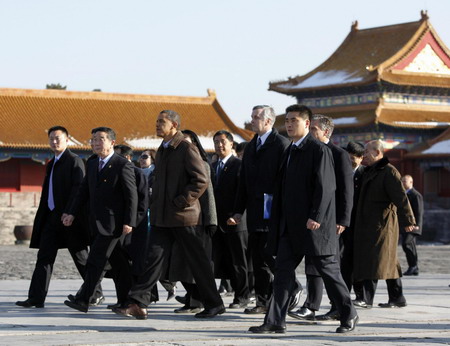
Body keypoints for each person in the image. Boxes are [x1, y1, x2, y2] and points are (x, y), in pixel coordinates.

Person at [249, 104, 357, 334]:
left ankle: (349, 314)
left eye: (294, 120)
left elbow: (326, 187)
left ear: (307, 124)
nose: (288, 124)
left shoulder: (319, 150)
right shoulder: (289, 150)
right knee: (282, 273)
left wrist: (316, 216)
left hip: (314, 226)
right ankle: (275, 321)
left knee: (329, 273)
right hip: (290, 226)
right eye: (286, 120)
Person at [113, 110, 225, 319]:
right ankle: (138, 302)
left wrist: (182, 201)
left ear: (174, 125)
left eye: (161, 122)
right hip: (162, 218)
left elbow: (201, 180)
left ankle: (215, 303)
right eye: (156, 121)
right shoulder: (163, 150)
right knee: (153, 259)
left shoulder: (185, 147)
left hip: (184, 217)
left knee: (198, 262)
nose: (156, 125)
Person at [16, 126, 103, 308]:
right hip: (51, 218)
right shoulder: (51, 163)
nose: (54, 142)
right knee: (44, 257)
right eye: (51, 139)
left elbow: (78, 190)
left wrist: (70, 212)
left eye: (58, 138)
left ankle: (95, 292)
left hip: (70, 220)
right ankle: (36, 298)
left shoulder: (75, 161)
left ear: (67, 140)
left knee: (81, 258)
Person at [62, 127, 138, 313]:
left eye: (100, 139)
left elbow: (131, 195)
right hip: (95, 222)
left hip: (113, 225)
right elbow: (83, 191)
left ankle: (84, 299)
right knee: (119, 264)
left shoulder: (122, 164)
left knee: (95, 261)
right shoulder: (93, 162)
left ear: (112, 142)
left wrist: (130, 221)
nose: (95, 143)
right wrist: (71, 212)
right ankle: (126, 301)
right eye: (93, 139)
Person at [228, 105, 292, 315]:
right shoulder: (252, 145)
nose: (252, 120)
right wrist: (238, 210)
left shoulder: (281, 144)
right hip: (255, 212)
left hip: (274, 211)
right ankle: (263, 301)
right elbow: (243, 182)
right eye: (252, 116)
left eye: (256, 117)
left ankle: (290, 287)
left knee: (270, 256)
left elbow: (285, 181)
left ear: (268, 121)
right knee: (258, 259)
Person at [290, 114, 353, 322]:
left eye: (314, 129)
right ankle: (312, 306)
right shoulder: (307, 152)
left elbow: (345, 191)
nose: (311, 132)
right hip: (310, 218)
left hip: (330, 220)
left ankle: (339, 308)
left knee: (328, 266)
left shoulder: (339, 154)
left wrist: (342, 220)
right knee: (313, 263)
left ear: (326, 132)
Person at [353, 140, 416, 308]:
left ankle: (366, 299)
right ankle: (397, 298)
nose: (364, 154)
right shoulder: (370, 171)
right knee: (387, 261)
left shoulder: (389, 172)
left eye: (367, 151)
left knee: (373, 260)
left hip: (382, 225)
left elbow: (401, 198)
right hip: (368, 223)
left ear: (377, 153)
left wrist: (408, 220)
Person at [171, 129, 218, 313]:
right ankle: (193, 298)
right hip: (180, 220)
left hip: (199, 221)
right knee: (182, 264)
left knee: (196, 265)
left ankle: (198, 300)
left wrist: (211, 221)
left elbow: (209, 196)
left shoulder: (203, 165)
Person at [212, 130, 249, 309]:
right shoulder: (213, 166)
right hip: (218, 221)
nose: (219, 145)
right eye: (216, 142)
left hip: (236, 221)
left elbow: (242, 193)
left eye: (223, 142)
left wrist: (237, 214)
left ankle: (242, 296)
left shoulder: (239, 165)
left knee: (238, 261)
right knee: (223, 260)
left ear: (231, 144)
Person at [401, 175, 424, 276]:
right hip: (406, 225)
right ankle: (413, 267)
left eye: (405, 181)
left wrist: (417, 225)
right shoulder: (404, 194)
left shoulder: (415, 195)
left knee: (407, 244)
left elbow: (419, 211)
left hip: (413, 226)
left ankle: (413, 266)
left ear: (411, 182)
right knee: (409, 245)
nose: (403, 183)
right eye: (402, 181)